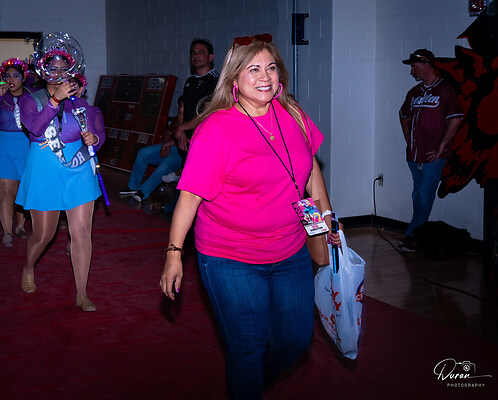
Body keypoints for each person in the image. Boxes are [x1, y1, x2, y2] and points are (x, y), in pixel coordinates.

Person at [160, 33, 340, 399]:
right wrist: (174, 253)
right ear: (234, 78)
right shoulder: (216, 129)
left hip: (290, 250)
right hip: (230, 256)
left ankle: (252, 384)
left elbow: (311, 176)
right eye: (253, 69)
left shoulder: (294, 115)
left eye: (271, 68)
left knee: (295, 340)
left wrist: (327, 221)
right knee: (247, 346)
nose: (265, 76)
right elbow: (190, 196)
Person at [16, 47, 105, 312]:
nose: (58, 73)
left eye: (63, 69)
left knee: (81, 233)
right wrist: (55, 100)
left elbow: (97, 134)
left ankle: (82, 293)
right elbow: (35, 129)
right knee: (44, 235)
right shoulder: (31, 100)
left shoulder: (82, 104)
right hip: (45, 168)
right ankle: (28, 267)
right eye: (52, 69)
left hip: (78, 169)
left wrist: (94, 139)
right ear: (44, 72)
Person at [120, 38, 219, 201]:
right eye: (193, 53)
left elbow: (207, 113)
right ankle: (135, 188)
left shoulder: (216, 81)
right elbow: (182, 110)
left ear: (211, 57)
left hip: (202, 141)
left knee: (188, 186)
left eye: (201, 52)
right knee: (146, 154)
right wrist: (180, 132)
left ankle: (146, 194)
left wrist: (182, 129)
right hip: (183, 140)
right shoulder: (190, 81)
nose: (196, 56)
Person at [399, 49, 463, 252]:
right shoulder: (414, 93)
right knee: (418, 196)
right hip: (414, 155)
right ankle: (417, 235)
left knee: (424, 196)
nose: (412, 71)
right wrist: (408, 138)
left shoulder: (445, 90)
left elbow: (456, 119)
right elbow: (403, 115)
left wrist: (442, 145)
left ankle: (414, 236)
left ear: (426, 64)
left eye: (414, 66)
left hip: (432, 156)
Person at [0, 58, 32, 247]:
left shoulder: (32, 96)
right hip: (4, 147)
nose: (11, 79)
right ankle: (7, 231)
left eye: (15, 75)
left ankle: (20, 226)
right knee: (5, 191)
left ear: (23, 77)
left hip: (27, 147)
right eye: (7, 76)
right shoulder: (1, 96)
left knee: (22, 190)